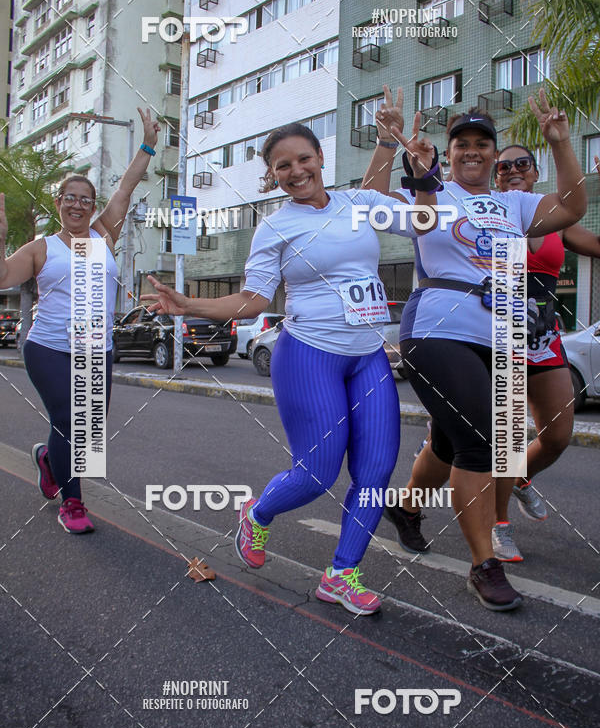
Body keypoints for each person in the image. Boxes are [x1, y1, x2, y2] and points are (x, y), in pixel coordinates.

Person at [143, 118, 438, 615]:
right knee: (317, 474)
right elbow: (254, 300)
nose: (296, 171)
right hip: (308, 354)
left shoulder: (358, 203)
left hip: (367, 356)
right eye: (283, 166)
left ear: (321, 158)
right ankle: (257, 514)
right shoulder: (276, 226)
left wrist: (423, 173)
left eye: (304, 159)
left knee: (375, 472)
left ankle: (342, 575)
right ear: (273, 175)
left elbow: (423, 221)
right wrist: (190, 305)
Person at [363, 88, 587, 610]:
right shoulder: (431, 192)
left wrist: (560, 141)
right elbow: (368, 207)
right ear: (448, 152)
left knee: (452, 443)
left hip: (503, 336)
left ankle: (406, 508)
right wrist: (387, 143)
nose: (472, 151)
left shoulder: (515, 204)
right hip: (438, 327)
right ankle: (484, 565)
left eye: (482, 144)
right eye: (461, 143)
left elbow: (574, 205)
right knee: (484, 442)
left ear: (493, 153)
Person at [390, 145, 600, 564]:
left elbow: (590, 234)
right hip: (490, 327)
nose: (512, 170)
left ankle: (507, 481)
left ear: (536, 172)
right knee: (493, 438)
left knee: (554, 434)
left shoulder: (547, 217)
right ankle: (494, 528)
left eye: (523, 163)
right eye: (504, 166)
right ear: (494, 174)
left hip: (539, 332)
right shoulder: (487, 212)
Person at [0, 108, 160, 533]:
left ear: (92, 206)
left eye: (85, 199)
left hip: (95, 348)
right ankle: (72, 503)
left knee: (87, 431)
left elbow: (126, 187)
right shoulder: (43, 248)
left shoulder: (103, 236)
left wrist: (147, 145)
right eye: (69, 197)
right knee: (70, 422)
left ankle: (47, 460)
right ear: (58, 204)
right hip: (49, 347)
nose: (77, 204)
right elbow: (3, 276)